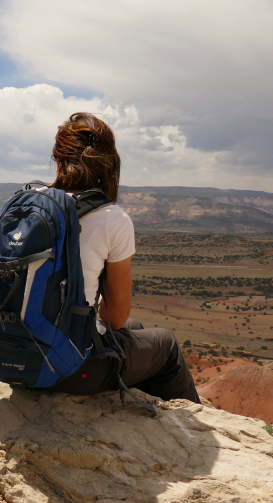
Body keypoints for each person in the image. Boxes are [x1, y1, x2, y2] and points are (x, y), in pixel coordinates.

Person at [44, 112, 200, 403]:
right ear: (109, 163)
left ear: (58, 159)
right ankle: (192, 434)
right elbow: (115, 318)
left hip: (11, 354)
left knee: (137, 328)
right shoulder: (110, 219)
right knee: (165, 343)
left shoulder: (29, 205)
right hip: (67, 368)